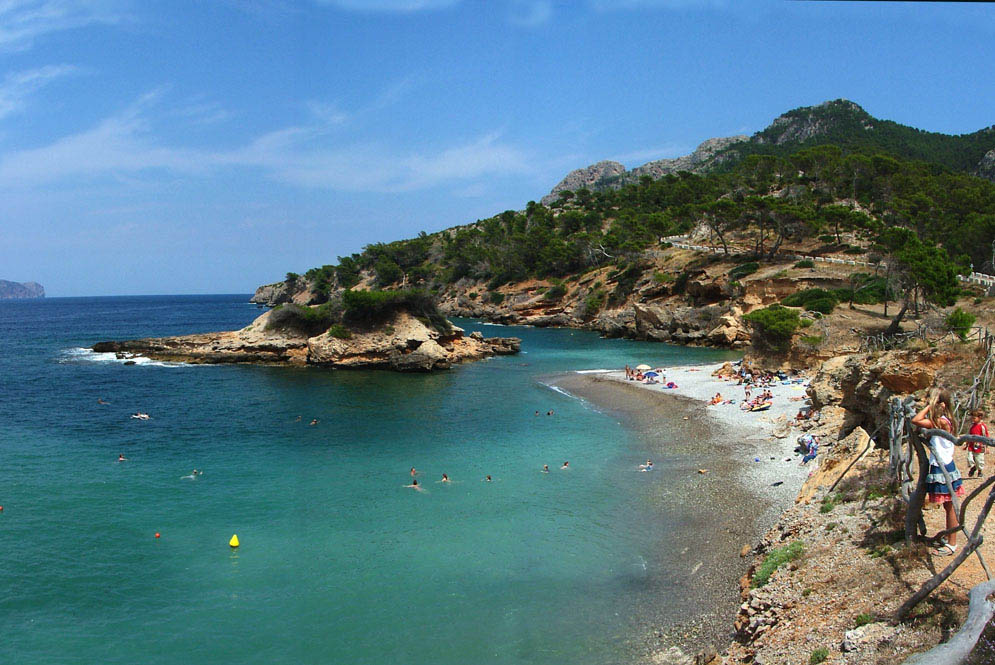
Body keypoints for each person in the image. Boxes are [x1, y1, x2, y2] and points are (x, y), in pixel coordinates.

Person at [911, 390, 964, 556]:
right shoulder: (947, 420)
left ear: (942, 404)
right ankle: (950, 540)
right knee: (949, 506)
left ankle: (952, 544)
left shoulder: (940, 421)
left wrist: (928, 406)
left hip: (943, 468)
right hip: (945, 466)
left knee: (950, 507)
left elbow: (916, 420)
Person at [966, 409, 989, 477]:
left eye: (974, 418)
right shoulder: (972, 426)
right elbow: (969, 436)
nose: (973, 419)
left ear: (979, 418)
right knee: (970, 458)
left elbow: (986, 436)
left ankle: (979, 471)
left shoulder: (982, 426)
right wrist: (967, 444)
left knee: (979, 460)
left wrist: (986, 447)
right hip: (971, 445)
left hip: (979, 446)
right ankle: (973, 467)